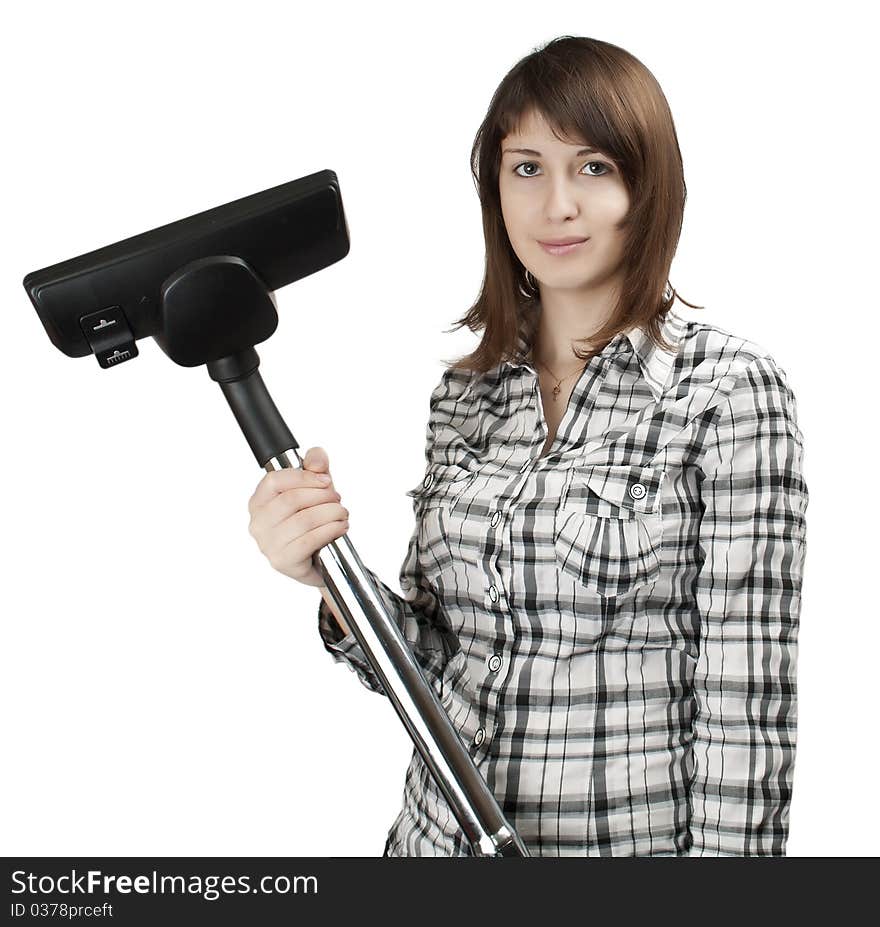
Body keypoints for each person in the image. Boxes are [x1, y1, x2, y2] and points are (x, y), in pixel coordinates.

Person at [247, 35, 809, 857]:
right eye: (527, 168)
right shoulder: (467, 398)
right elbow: (432, 663)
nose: (557, 207)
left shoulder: (728, 393)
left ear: (647, 189)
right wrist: (329, 578)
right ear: (495, 190)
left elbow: (745, 713)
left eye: (593, 167)